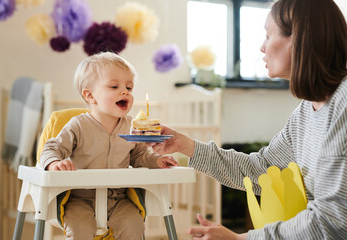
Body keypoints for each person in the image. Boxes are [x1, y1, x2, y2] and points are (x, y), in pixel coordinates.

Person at [149, 0, 347, 239]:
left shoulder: (343, 106)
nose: (262, 48)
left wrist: (241, 238)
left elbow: (332, 221)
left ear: (298, 39)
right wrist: (185, 145)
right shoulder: (305, 113)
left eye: (268, 35)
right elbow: (261, 170)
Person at [40, 52, 178, 240]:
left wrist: (157, 160)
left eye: (129, 87)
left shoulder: (131, 127)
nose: (125, 92)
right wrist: (54, 163)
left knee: (135, 225)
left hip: (118, 200)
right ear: (90, 96)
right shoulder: (78, 125)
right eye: (114, 86)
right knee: (79, 229)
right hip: (80, 199)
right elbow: (52, 148)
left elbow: (139, 156)